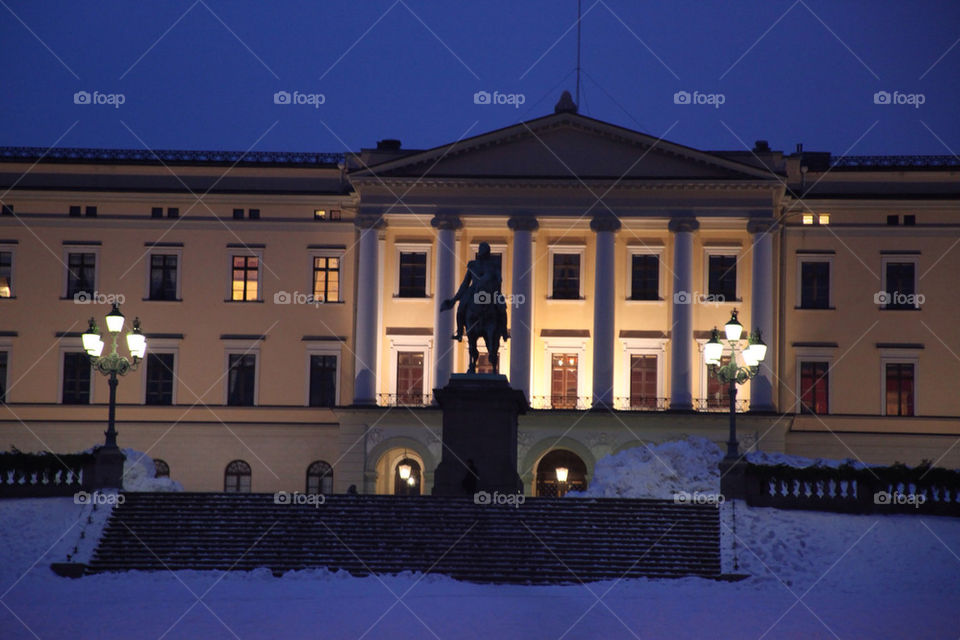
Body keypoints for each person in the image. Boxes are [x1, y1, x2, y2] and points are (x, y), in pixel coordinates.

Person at [445, 242, 508, 343]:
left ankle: (504, 332)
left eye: (483, 251)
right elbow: (465, 283)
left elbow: (499, 280)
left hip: (490, 291)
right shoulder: (473, 265)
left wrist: (492, 285)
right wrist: (455, 298)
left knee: (502, 307)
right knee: (461, 308)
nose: (481, 253)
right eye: (481, 250)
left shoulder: (493, 266)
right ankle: (460, 332)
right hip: (473, 290)